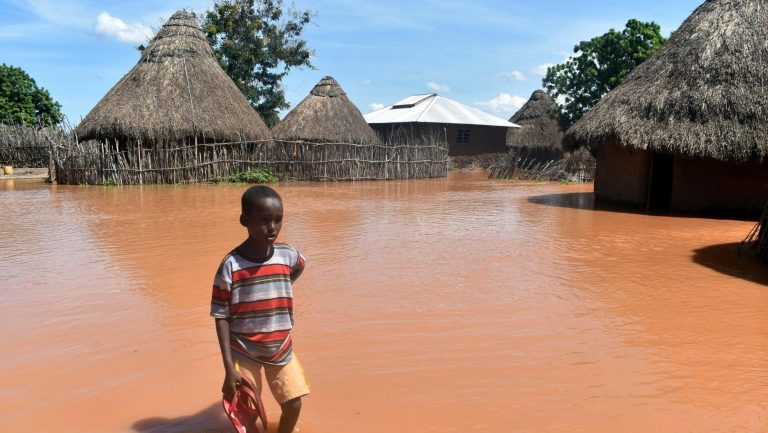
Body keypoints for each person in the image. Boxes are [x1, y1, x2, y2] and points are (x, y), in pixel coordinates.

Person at [211, 185, 309, 433]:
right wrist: (227, 369)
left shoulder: (287, 254)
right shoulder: (231, 265)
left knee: (293, 404)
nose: (272, 227)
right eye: (264, 220)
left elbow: (299, 266)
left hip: (280, 347)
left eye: (278, 220)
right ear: (245, 220)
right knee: (247, 412)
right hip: (244, 350)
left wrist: (280, 285)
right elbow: (221, 316)